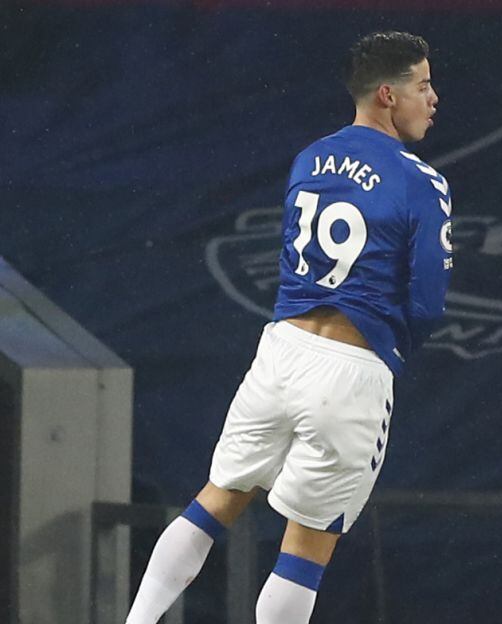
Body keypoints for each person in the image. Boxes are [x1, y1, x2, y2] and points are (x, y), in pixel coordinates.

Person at [125, 30, 451, 624]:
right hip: (350, 370)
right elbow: (427, 303)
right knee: (305, 551)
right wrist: (393, 348)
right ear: (386, 94)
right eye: (423, 85)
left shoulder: (310, 157)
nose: (433, 98)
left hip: (280, 352)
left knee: (212, 503)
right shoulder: (420, 181)